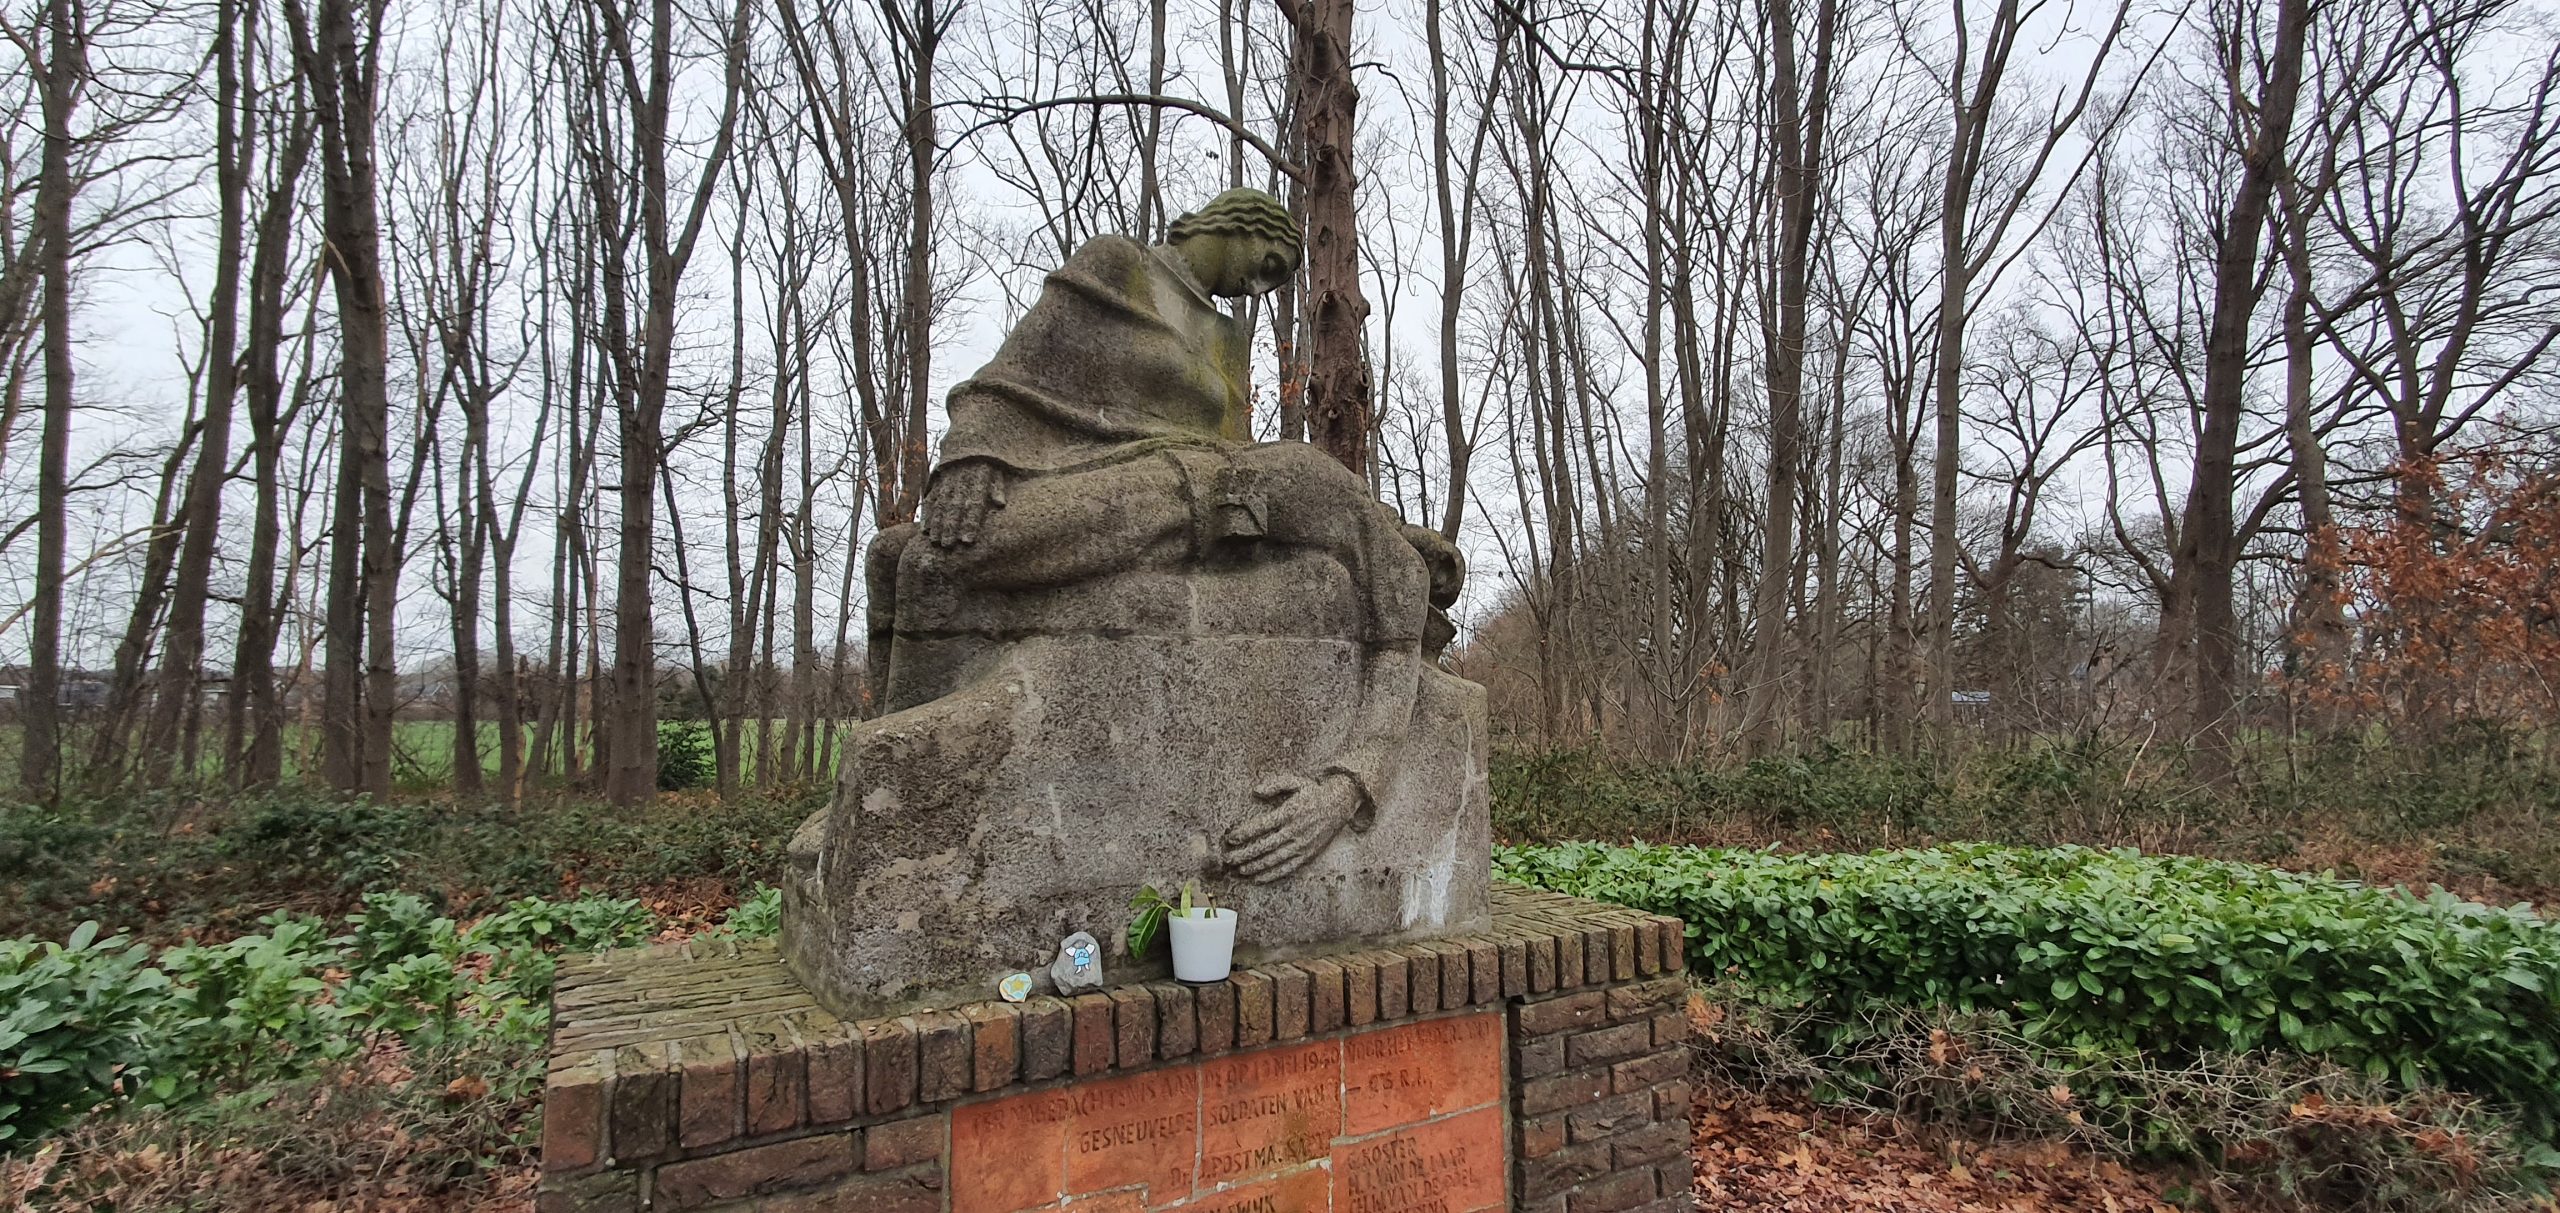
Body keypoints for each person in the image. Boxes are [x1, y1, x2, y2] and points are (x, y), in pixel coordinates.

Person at [867, 188, 1460, 882]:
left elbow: (1395, 587)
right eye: (1264, 263)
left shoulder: (1330, 501)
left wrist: (1344, 791)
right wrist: (973, 453)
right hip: (1103, 474)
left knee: (929, 565)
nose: (1259, 286)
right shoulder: (1119, 266)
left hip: (1169, 503)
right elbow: (1013, 377)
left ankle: (893, 801)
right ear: (1235, 225)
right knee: (893, 556)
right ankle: (884, 792)